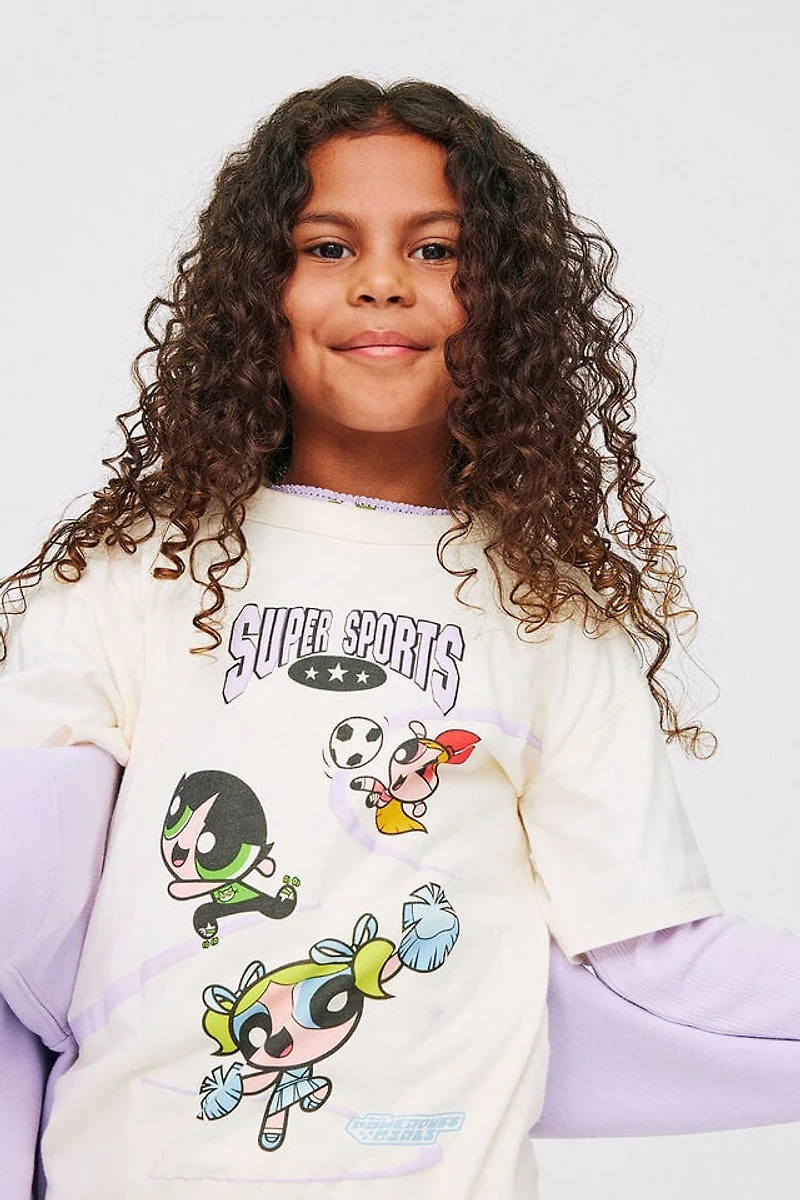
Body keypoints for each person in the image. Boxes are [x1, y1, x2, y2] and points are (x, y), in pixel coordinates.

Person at [0, 75, 798, 1199]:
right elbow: (22, 918)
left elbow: (650, 959)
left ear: (503, 305)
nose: (381, 280)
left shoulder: (553, 615)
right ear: (258, 294)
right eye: (327, 247)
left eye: (436, 250)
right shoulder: (137, 575)